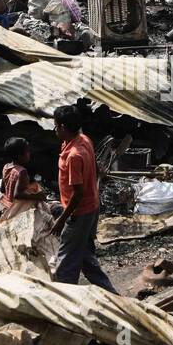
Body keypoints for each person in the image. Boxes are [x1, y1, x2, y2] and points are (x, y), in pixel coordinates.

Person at [44, 105, 112, 290]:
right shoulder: (83, 140)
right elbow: (96, 165)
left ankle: (68, 301)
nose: (55, 130)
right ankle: (111, 294)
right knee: (85, 257)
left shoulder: (74, 156)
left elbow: (78, 193)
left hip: (79, 213)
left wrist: (62, 220)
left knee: (65, 264)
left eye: (56, 126)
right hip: (91, 207)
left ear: (64, 127)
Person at [0, 136, 44, 223]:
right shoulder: (22, 172)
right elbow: (17, 194)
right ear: (20, 156)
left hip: (7, 205)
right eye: (28, 152)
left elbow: (2, 189)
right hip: (17, 208)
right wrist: (37, 196)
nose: (29, 153)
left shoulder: (6, 167)